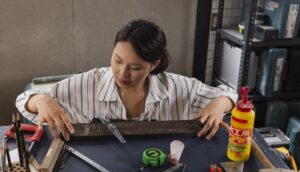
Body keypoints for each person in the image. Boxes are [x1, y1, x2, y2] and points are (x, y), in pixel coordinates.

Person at [15, 19, 237, 141]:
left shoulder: (176, 87)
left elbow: (229, 95)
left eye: (136, 67)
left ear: (154, 64)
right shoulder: (89, 83)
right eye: (117, 60)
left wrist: (220, 104)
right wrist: (42, 101)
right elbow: (24, 100)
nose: (122, 73)